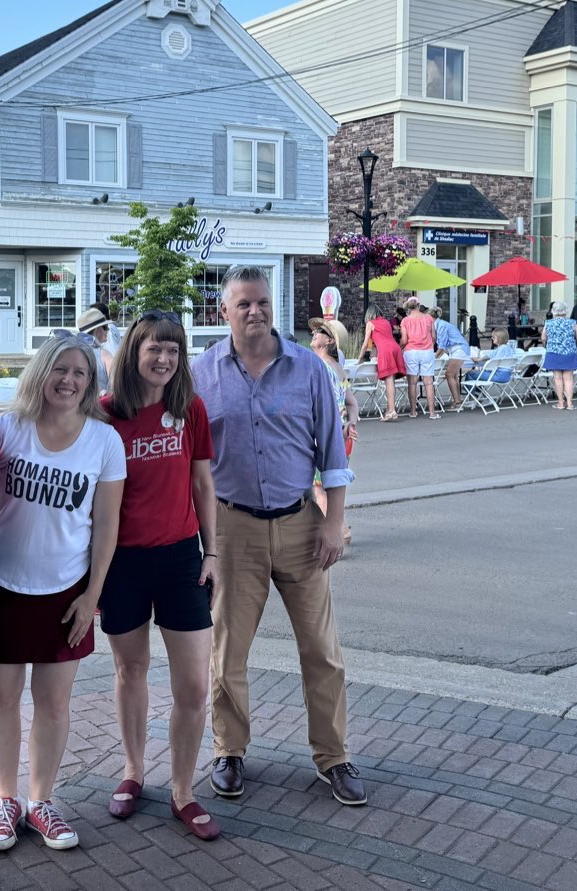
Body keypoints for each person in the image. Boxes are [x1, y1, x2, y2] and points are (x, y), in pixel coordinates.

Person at [191, 265, 366, 808]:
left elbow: (332, 453)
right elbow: (190, 464)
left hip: (300, 524)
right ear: (223, 312)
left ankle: (333, 756)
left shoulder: (309, 369)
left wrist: (334, 521)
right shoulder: (201, 375)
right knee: (228, 649)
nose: (255, 311)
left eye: (262, 301)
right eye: (243, 303)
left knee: (321, 649)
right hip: (233, 527)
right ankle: (229, 749)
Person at [0, 336, 124, 853]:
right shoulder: (8, 425)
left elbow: (107, 527)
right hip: (1, 582)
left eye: (80, 373)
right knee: (0, 699)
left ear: (91, 382)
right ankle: (4, 800)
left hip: (67, 591)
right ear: (41, 372)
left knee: (54, 703)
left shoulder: (104, 441)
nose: (68, 380)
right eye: (59, 369)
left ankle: (40, 800)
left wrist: (93, 597)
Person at [100, 310, 222, 841]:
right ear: (134, 351)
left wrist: (211, 552)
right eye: (155, 348)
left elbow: (203, 485)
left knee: (194, 685)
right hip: (121, 562)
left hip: (180, 559)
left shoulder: (189, 408)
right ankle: (132, 772)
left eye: (174, 351)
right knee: (131, 670)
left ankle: (183, 791)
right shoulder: (104, 414)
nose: (165, 359)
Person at [309, 318, 358, 545]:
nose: (314, 334)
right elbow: (352, 402)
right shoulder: (338, 369)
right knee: (333, 485)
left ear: (329, 340)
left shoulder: (322, 368)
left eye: (319, 332)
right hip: (340, 434)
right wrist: (352, 423)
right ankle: (340, 528)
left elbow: (321, 405)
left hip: (325, 435)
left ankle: (337, 530)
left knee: (320, 488)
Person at [357, 305, 405, 420]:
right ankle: (389, 410)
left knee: (388, 381)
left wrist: (360, 358)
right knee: (391, 381)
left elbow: (366, 344)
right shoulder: (386, 322)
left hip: (385, 350)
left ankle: (392, 411)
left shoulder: (370, 324)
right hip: (395, 348)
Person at [399, 297, 439, 420]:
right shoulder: (428, 318)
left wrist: (401, 347)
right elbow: (433, 337)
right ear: (418, 305)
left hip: (411, 352)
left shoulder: (405, 321)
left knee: (412, 382)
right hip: (427, 351)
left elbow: (404, 340)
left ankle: (413, 411)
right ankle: (432, 412)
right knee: (429, 382)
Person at [541, 300, 577, 410]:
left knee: (557, 378)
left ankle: (560, 403)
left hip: (553, 352)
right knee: (569, 379)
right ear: (565, 311)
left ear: (553, 311)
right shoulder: (572, 322)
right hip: (569, 352)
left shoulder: (548, 323)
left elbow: (543, 338)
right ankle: (570, 404)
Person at [428, 306, 472, 410]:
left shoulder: (441, 326)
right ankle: (457, 400)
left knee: (449, 374)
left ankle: (457, 401)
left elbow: (442, 346)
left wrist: (432, 358)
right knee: (453, 376)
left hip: (458, 349)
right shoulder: (440, 324)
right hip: (456, 349)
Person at [76, 308, 114, 393]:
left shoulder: (74, 352)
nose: (107, 330)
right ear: (97, 330)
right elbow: (117, 385)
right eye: (105, 327)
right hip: (98, 404)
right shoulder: (104, 355)